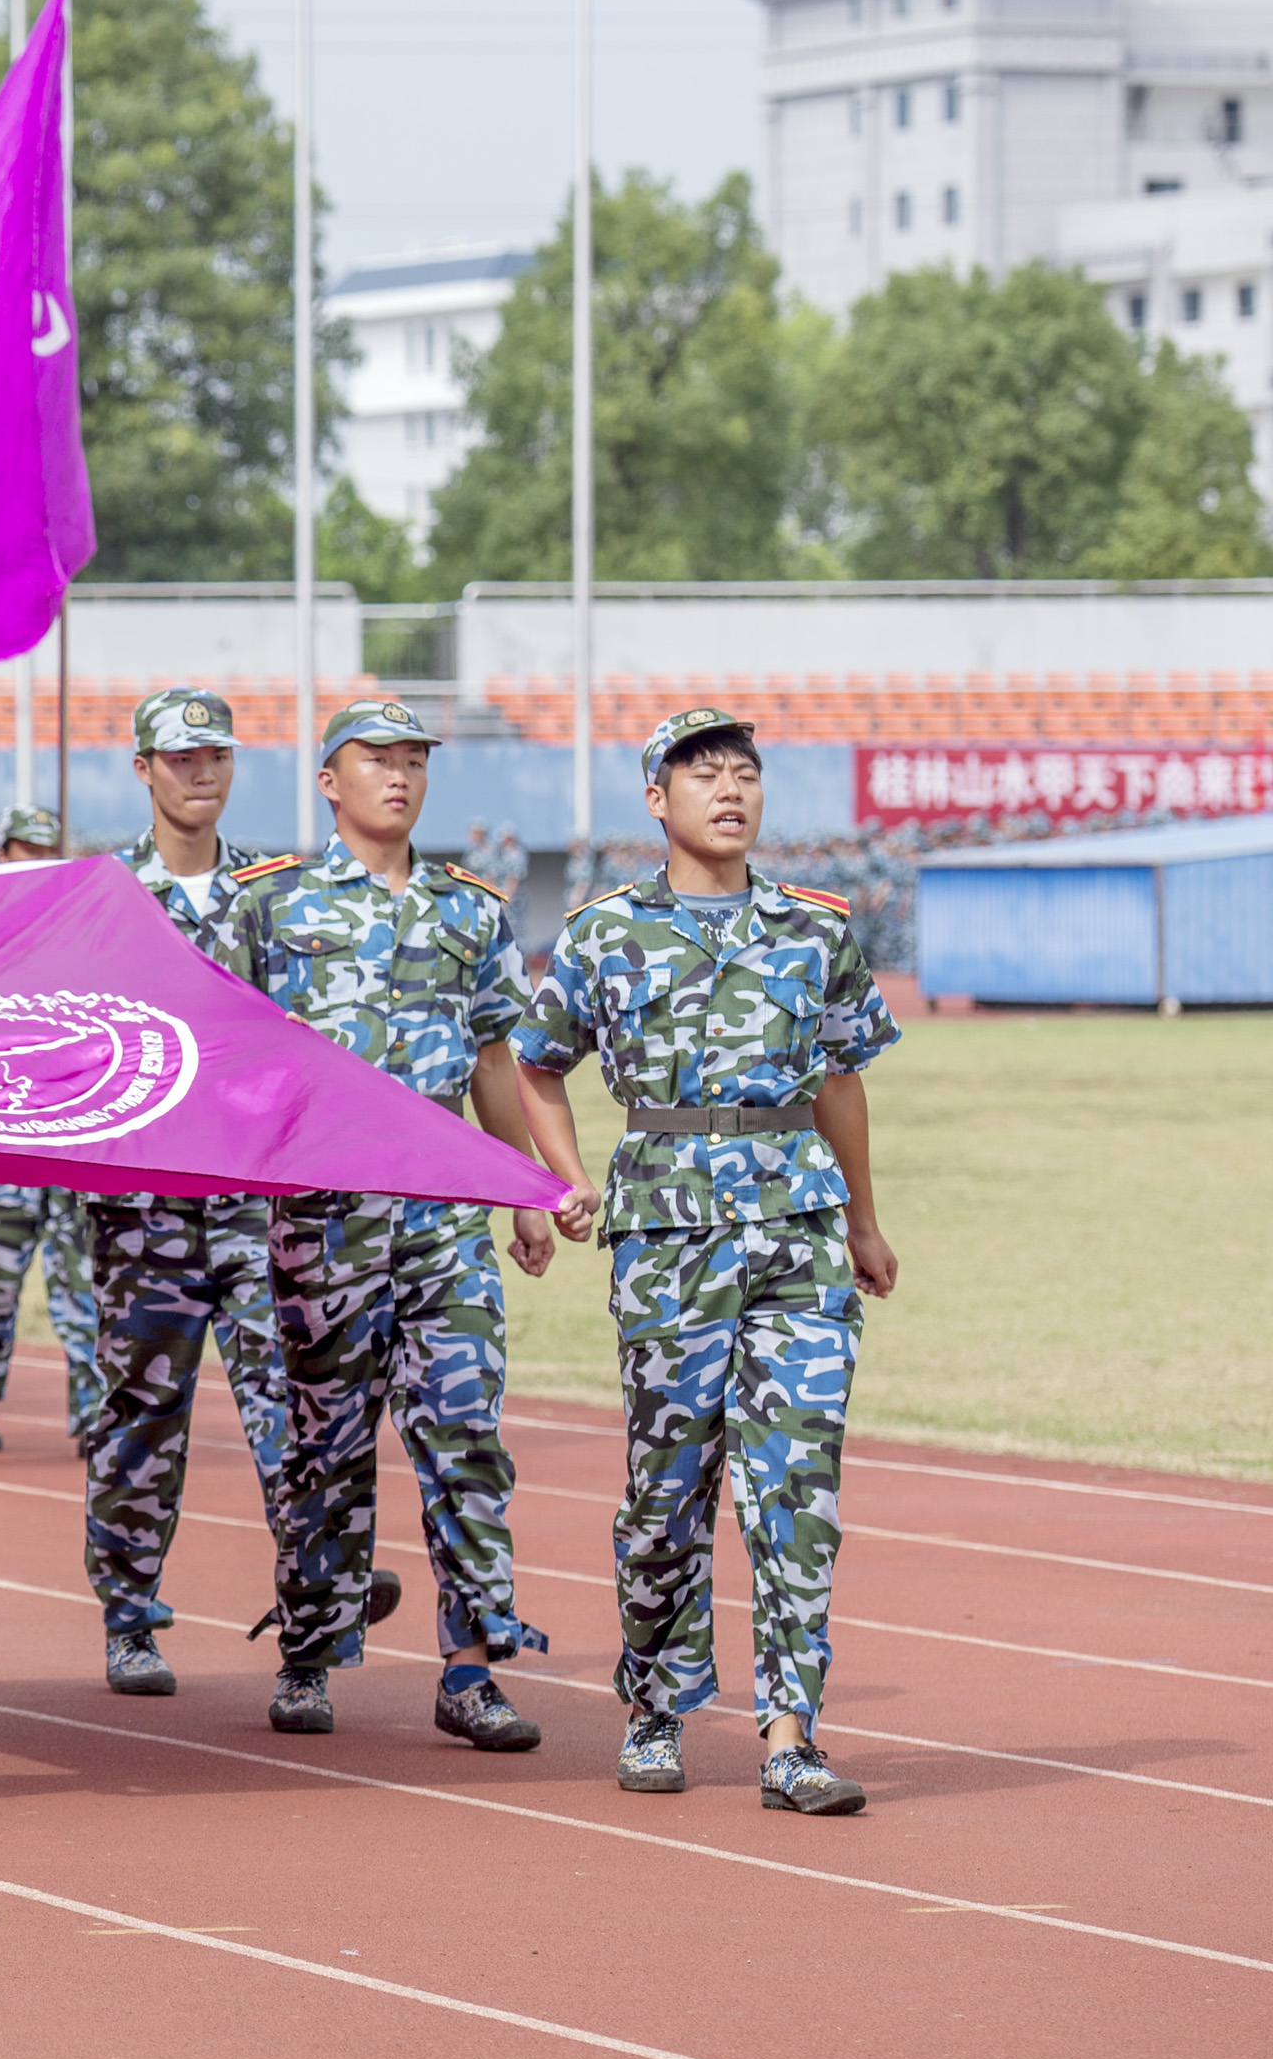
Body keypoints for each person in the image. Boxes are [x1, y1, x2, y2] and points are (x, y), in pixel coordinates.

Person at [512, 708, 901, 1817]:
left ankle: (793, 1735)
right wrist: (566, 1175)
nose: (728, 791)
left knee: (797, 1483)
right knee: (669, 1485)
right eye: (702, 774)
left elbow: (840, 1080)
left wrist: (865, 1220)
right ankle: (653, 1706)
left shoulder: (814, 929)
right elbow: (539, 1064)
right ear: (657, 799)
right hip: (668, 1227)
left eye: (743, 774)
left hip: (798, 1224)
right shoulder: (603, 934)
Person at [207, 700, 554, 1749]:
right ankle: (311, 1651)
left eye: (413, 761)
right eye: (377, 759)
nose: (398, 777)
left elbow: (497, 1058)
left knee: (466, 1437)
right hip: (325, 1209)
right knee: (327, 1442)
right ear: (329, 779)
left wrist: (522, 1185)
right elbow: (222, 1046)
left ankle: (471, 1667)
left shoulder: (472, 913)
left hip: (445, 1214)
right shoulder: (266, 904)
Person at [75, 693, 338, 1697]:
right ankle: (130, 1613)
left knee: (293, 1402)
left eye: (214, 755)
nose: (200, 772)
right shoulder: (104, 894)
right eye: (180, 757)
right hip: (143, 1202)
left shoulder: (276, 893)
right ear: (143, 767)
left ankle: (311, 1634)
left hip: (256, 1194)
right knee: (143, 1408)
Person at [0, 805, 104, 1452]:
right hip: (7, 1134)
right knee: (0, 1271)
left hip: (68, 1135)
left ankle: (93, 1410)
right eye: (23, 848)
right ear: (2, 851)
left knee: (81, 1274)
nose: (34, 860)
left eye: (44, 849)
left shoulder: (79, 932)